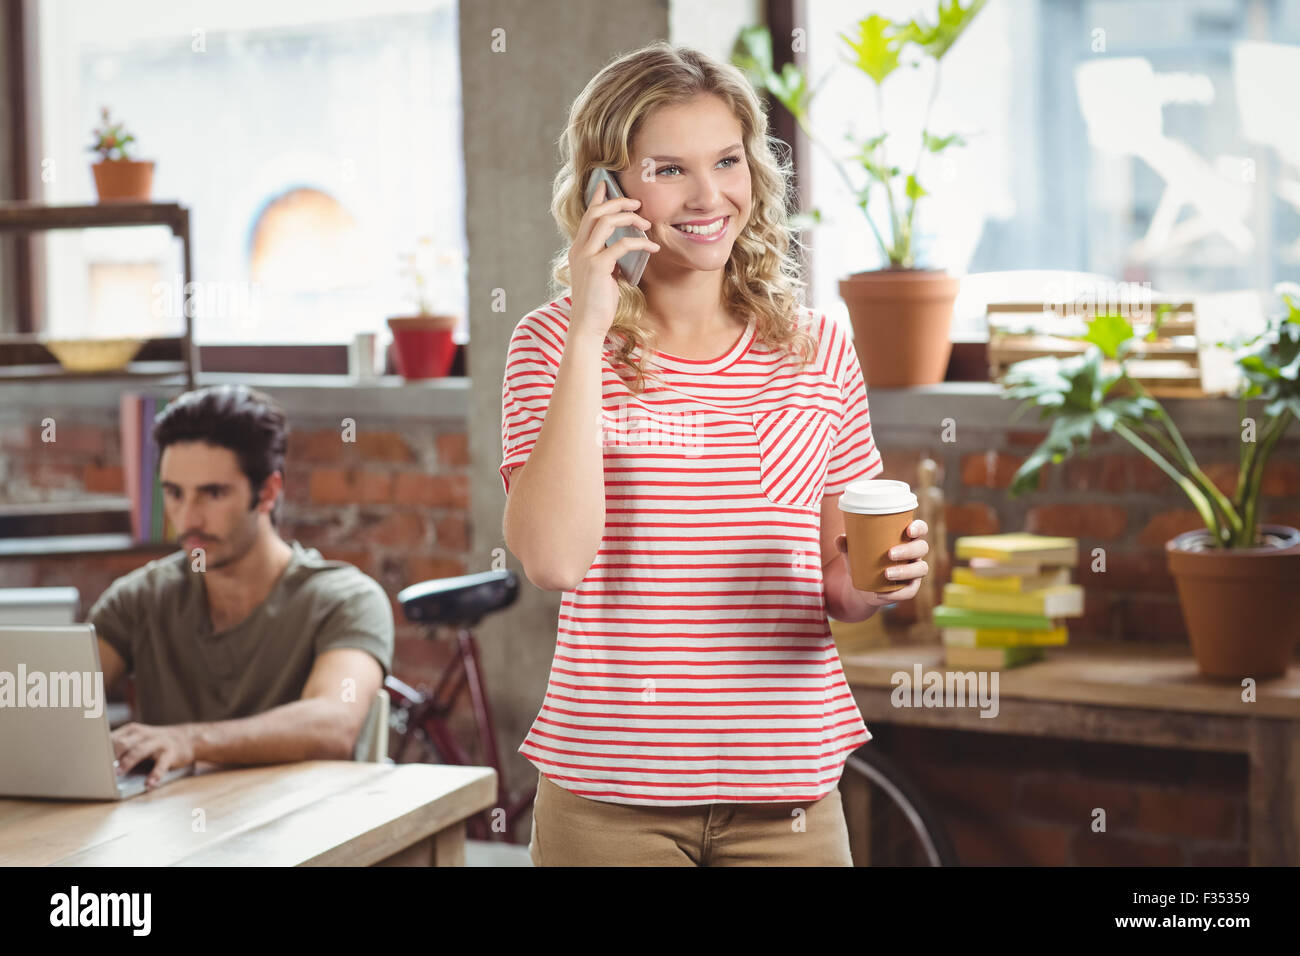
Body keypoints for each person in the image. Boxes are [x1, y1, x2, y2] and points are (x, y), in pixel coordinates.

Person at [501, 42, 930, 866]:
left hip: (789, 791)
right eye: (668, 169)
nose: (709, 198)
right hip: (611, 794)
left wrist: (880, 581)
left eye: (727, 160)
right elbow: (555, 560)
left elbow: (836, 584)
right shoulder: (551, 343)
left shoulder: (819, 347)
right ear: (608, 188)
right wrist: (592, 321)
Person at [89, 385, 394, 788]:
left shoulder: (347, 600)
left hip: (301, 837)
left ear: (267, 492)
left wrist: (191, 739)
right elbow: (58, 698)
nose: (189, 518)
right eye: (174, 494)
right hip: (168, 838)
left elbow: (335, 722)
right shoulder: (138, 599)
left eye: (212, 494)